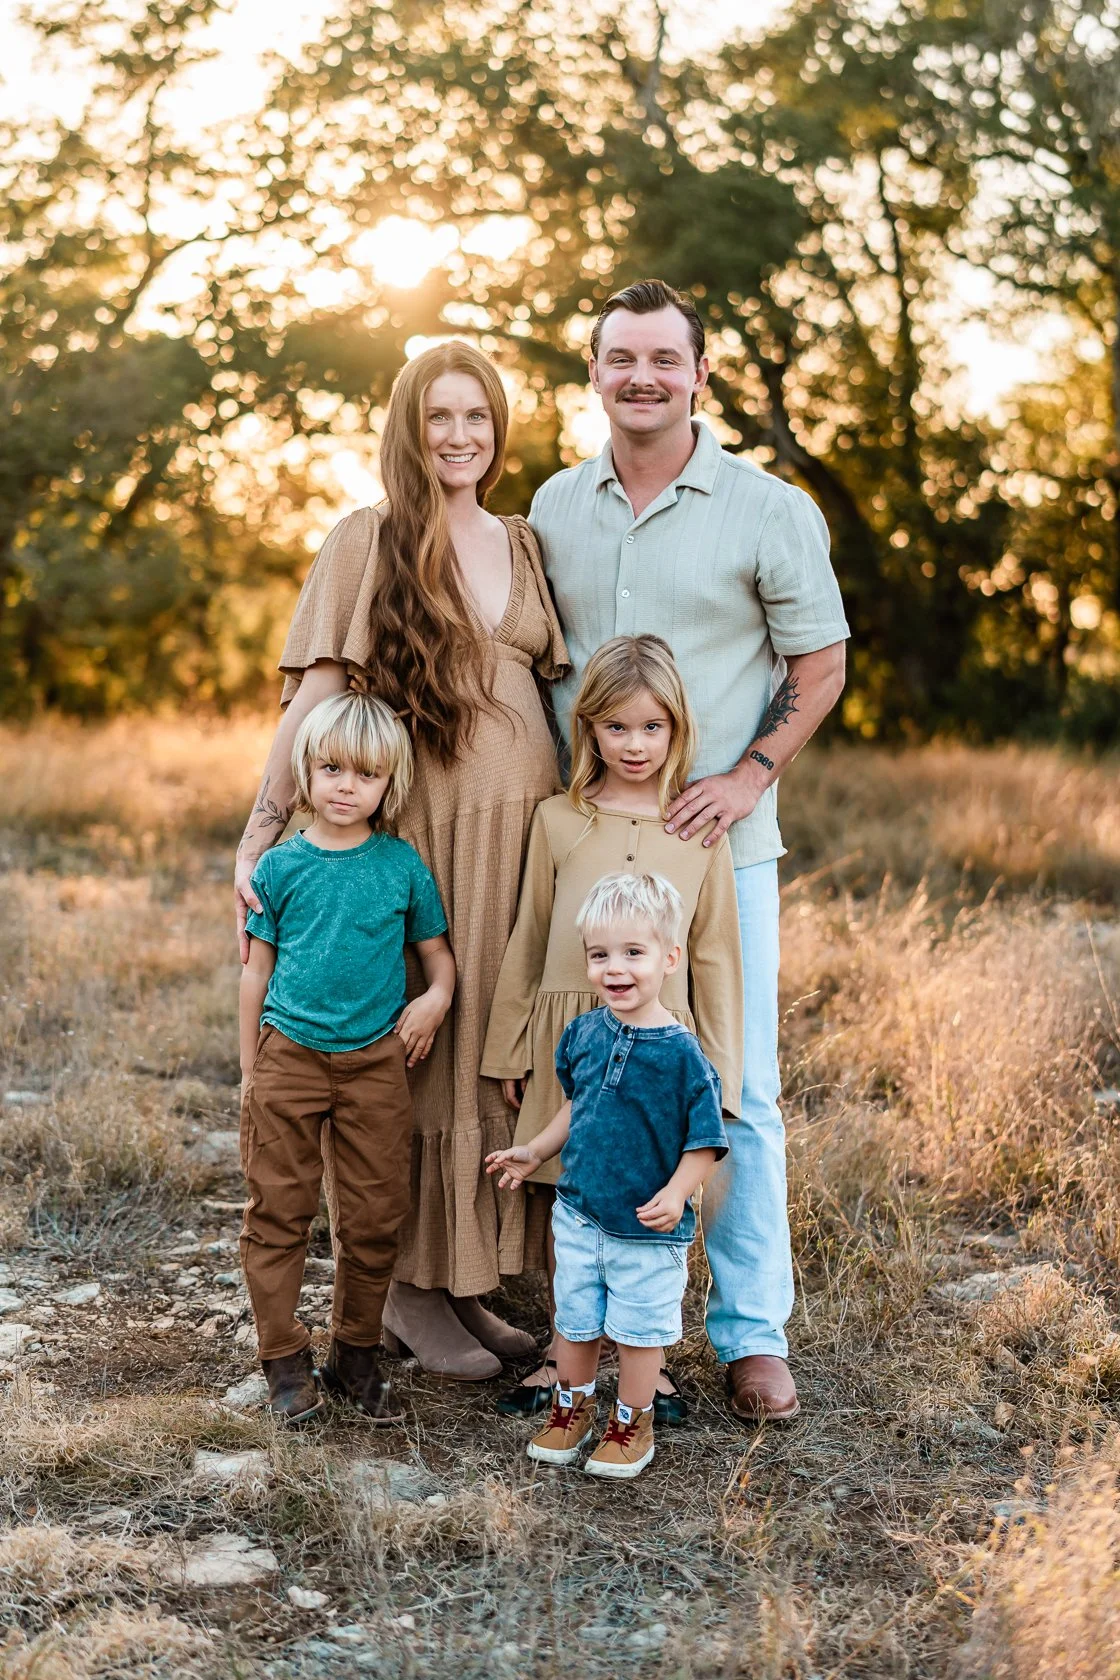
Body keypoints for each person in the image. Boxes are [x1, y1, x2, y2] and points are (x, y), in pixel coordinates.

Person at [530, 278, 849, 1424]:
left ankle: (752, 1333)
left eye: (664, 358)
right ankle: (583, 1316)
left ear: (699, 374)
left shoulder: (768, 509)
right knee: (579, 1065)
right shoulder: (554, 503)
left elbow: (819, 666)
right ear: (596, 371)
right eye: (620, 357)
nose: (642, 377)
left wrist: (749, 771)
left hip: (721, 846)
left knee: (737, 1084)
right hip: (588, 845)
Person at [234, 341, 569, 1380]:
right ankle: (407, 1296)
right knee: (417, 1049)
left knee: (487, 1043)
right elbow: (318, 693)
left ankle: (463, 1286)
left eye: (478, 417)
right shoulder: (369, 538)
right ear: (407, 429)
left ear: (498, 430)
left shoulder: (521, 541)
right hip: (426, 836)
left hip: (522, 840)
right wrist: (262, 823)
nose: (459, 436)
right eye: (439, 418)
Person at [481, 633, 742, 1422]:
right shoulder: (561, 820)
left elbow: (717, 955)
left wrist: (721, 1069)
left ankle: (646, 1367)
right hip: (573, 1036)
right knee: (573, 1203)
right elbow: (528, 937)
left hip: (662, 1052)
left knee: (650, 1208)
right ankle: (567, 1363)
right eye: (617, 727)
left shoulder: (699, 825)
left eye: (653, 728)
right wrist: (510, 1044)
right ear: (588, 728)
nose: (635, 745)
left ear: (677, 730)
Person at [239, 690, 455, 1424]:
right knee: (280, 1211)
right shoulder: (279, 869)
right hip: (289, 1056)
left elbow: (437, 957)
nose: (345, 786)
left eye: (365, 774)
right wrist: (251, 1069)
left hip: (374, 1063)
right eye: (330, 768)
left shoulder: (401, 866)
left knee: (373, 1216)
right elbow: (255, 974)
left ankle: (355, 1357)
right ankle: (283, 1362)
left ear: (389, 784)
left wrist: (436, 999)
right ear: (305, 770)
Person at [487, 872, 727, 1479]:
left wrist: (677, 1194)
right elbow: (579, 1106)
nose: (615, 969)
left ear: (670, 959)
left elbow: (706, 1142)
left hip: (646, 1224)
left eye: (633, 953)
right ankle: (572, 1411)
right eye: (600, 955)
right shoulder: (584, 1033)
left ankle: (632, 1422)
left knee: (640, 1331)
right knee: (575, 1320)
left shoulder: (682, 1055)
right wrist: (535, 1148)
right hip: (579, 1212)